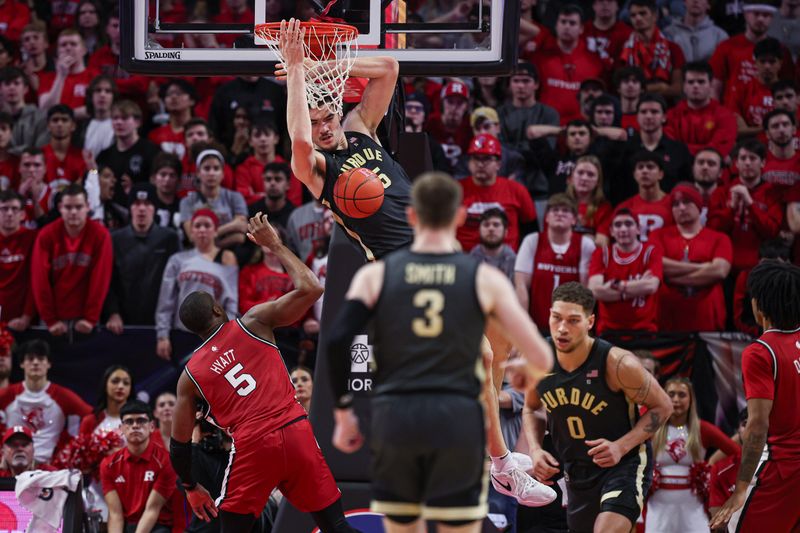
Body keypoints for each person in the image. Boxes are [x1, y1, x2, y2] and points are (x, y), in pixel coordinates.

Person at [326, 172, 554, 531]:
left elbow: (339, 340)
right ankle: (502, 464)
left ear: (412, 217)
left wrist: (343, 413)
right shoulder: (483, 278)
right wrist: (528, 371)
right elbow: (541, 354)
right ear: (460, 218)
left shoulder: (377, 275)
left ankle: (503, 464)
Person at [170, 213, 357, 533]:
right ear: (217, 309)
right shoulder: (253, 322)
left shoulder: (190, 376)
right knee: (336, 526)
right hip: (296, 429)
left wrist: (190, 486)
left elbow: (179, 443)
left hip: (254, 446)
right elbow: (312, 288)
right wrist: (276, 245)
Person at [520, 282, 673, 533]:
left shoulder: (617, 363)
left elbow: (663, 407)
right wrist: (535, 449)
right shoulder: (538, 358)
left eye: (573, 321)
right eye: (556, 318)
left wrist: (620, 446)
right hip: (576, 470)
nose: (562, 328)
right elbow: (532, 408)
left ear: (590, 322)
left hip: (624, 464)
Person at [281, 18, 412, 262]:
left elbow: (389, 68)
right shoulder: (318, 169)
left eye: (328, 118)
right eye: (313, 123)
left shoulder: (359, 127)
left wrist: (318, 68)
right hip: (393, 261)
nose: (324, 128)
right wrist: (295, 70)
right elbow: (300, 142)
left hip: (434, 243)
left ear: (339, 111)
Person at [710, 261, 800, 532]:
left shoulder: (761, 351)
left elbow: (758, 426)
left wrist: (740, 489)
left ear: (758, 305)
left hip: (782, 468)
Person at [646, 378, 739, 533]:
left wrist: (714, 467)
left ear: (691, 399)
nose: (676, 400)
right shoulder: (652, 427)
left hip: (692, 506)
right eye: (671, 394)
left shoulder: (703, 429)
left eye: (682, 395)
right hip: (658, 505)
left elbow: (736, 452)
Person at [155, 209, 238, 361]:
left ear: (215, 231)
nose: (202, 230)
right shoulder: (178, 260)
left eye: (207, 225)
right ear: (191, 232)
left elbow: (231, 303)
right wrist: (162, 335)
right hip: (181, 333)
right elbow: (166, 301)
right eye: (198, 226)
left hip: (214, 336)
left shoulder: (226, 260)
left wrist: (229, 336)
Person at [30, 183, 113, 336]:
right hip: (53, 320)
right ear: (60, 207)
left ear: (88, 207)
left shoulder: (100, 236)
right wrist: (50, 319)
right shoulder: (46, 235)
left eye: (79, 207)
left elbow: (100, 279)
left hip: (86, 319)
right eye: (68, 207)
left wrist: (91, 317)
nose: (73, 212)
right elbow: (40, 280)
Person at [649, 184, 733, 333]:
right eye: (675, 204)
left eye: (687, 202)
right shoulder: (658, 235)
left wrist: (669, 277)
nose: (681, 208)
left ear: (699, 205)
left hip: (707, 322)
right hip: (667, 321)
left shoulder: (719, 238)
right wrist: (703, 268)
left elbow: (719, 271)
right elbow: (655, 265)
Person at [104, 183, 181, 333]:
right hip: (122, 324)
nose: (141, 208)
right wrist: (112, 312)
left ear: (155, 208)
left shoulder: (170, 238)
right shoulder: (114, 239)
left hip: (161, 323)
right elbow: (107, 280)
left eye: (147, 204)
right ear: (130, 208)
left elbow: (176, 283)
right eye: (136, 204)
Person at [0, 339, 91, 463]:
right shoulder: (8, 394)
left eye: (41, 359)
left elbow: (93, 416)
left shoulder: (62, 396)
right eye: (30, 359)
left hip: (50, 468)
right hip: (14, 468)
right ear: (22, 364)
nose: (36, 363)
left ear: (49, 363)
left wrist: (79, 442)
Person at [515, 194, 596, 331]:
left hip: (571, 327)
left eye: (565, 211)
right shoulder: (533, 240)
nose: (560, 214)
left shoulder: (585, 244)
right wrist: (524, 322)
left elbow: (585, 290)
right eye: (555, 210)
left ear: (574, 219)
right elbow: (521, 284)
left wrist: (578, 324)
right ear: (546, 217)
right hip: (536, 325)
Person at [101, 400, 178, 533]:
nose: (135, 426)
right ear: (121, 428)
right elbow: (115, 514)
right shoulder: (108, 464)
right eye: (129, 422)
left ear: (152, 426)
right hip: (126, 524)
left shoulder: (166, 460)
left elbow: (152, 510)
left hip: (156, 525)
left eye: (141, 421)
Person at [707, 139, 783, 274]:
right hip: (726, 265)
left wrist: (750, 204)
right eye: (743, 158)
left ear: (763, 162)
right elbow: (713, 230)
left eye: (753, 158)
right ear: (736, 163)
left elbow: (772, 231)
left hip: (761, 265)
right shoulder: (721, 192)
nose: (747, 163)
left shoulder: (773, 193)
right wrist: (731, 208)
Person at [455, 133, 537, 252]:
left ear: (498, 164)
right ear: (469, 162)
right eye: (475, 158)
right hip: (465, 260)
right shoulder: (454, 191)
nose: (480, 164)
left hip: (506, 261)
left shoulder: (516, 190)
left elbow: (531, 232)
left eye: (486, 158)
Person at [588, 207, 662, 335]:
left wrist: (616, 286)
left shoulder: (650, 252)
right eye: (618, 225)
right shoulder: (602, 254)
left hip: (644, 330)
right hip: (609, 331)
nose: (623, 229)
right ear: (611, 231)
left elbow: (651, 286)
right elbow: (595, 291)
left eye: (628, 224)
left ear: (638, 229)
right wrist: (636, 287)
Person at [665, 61, 737, 157]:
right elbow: (669, 147)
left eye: (701, 82)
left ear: (711, 85)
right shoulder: (671, 116)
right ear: (684, 86)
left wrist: (683, 149)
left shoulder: (725, 116)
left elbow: (719, 149)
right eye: (690, 82)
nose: (696, 86)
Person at [620, 0, 685, 98]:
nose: (637, 18)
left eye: (643, 13)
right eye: (633, 15)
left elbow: (678, 89)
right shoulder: (624, 50)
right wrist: (659, 87)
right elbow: (619, 88)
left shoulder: (673, 48)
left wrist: (638, 89)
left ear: (655, 16)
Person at [724, 37, 784, 137]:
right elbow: (736, 130)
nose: (767, 66)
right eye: (762, 61)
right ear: (755, 62)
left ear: (780, 63)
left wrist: (753, 129)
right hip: (749, 146)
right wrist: (770, 129)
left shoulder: (788, 92)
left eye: (772, 62)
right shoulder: (741, 89)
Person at [617, 151, 673, 242]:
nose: (645, 171)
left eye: (650, 167)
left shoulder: (673, 205)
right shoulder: (624, 208)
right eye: (640, 167)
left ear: (661, 174)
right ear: (634, 175)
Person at [0, 190, 35, 331]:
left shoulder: (34, 239)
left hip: (22, 320)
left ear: (23, 214)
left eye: (14, 209)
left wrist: (27, 316)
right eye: (4, 209)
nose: (9, 213)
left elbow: (36, 282)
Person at [565, 155, 613, 245]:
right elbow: (551, 239)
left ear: (598, 182)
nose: (584, 178)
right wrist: (588, 238)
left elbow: (601, 243)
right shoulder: (558, 205)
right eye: (580, 173)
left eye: (590, 174)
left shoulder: (604, 208)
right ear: (571, 178)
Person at [663, 0, 729, 62]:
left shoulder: (720, 36)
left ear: (708, 5)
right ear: (685, 2)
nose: (696, 1)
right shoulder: (669, 33)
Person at [80, 365, 135, 438]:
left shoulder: (139, 421)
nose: (120, 386)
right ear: (105, 385)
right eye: (115, 381)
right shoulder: (89, 421)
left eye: (126, 383)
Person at [469, 208, 517, 280]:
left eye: (496, 225)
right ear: (479, 231)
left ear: (506, 232)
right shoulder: (472, 257)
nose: (491, 228)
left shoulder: (513, 260)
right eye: (486, 225)